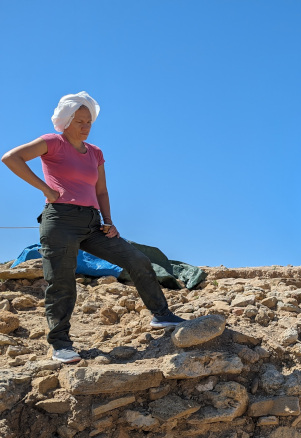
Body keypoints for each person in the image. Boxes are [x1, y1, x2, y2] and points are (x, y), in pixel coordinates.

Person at [1, 92, 185, 364]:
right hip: (60, 220)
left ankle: (161, 315)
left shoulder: (96, 153)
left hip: (92, 222)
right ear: (65, 121)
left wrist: (109, 222)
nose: (85, 127)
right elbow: (10, 158)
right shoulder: (53, 142)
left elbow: (102, 190)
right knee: (61, 283)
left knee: (137, 259)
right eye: (79, 121)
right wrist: (45, 189)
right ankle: (60, 345)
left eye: (89, 122)